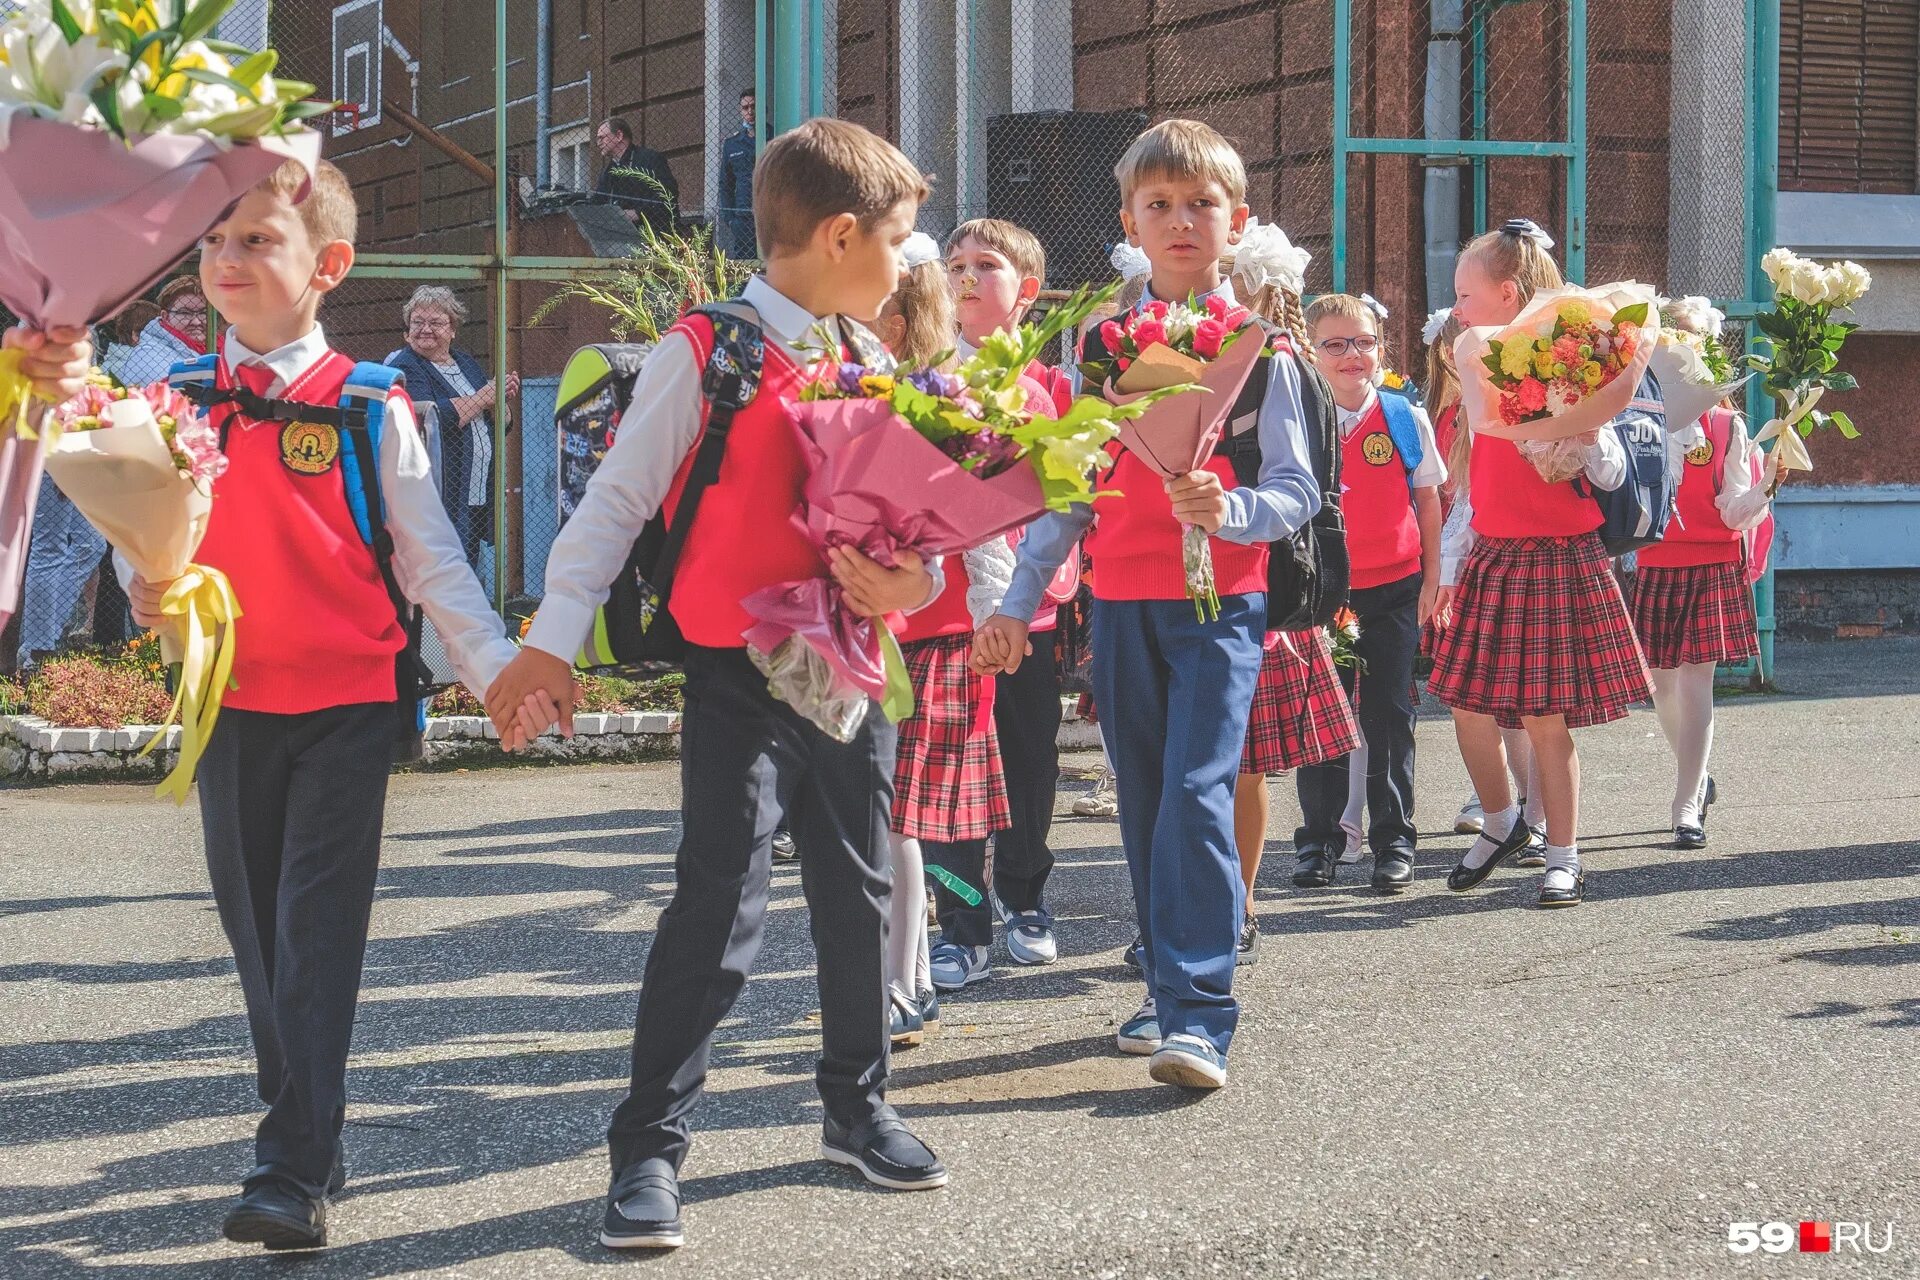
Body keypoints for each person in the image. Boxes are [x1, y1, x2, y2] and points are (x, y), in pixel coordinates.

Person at [487, 117, 949, 1251]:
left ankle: (858, 1102)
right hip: (736, 674)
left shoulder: (868, 360)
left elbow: (914, 537)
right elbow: (613, 505)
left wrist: (907, 584)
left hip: (845, 667)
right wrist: (549, 643)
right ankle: (649, 1146)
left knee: (860, 891)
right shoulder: (711, 349)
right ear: (842, 236)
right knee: (718, 898)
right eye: (898, 237)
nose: (906, 259)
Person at [125, 158, 517, 1251]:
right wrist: (141, 584)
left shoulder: (367, 403)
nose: (227, 260)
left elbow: (431, 558)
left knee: (316, 938)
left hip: (347, 706)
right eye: (215, 242)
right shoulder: (176, 403)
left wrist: (501, 673)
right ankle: (310, 1118)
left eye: (258, 240)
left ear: (327, 266)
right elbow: (145, 550)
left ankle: (290, 1166)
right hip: (227, 707)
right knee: (259, 941)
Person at [976, 119, 1321, 1091]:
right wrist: (1012, 600)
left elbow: (1299, 488)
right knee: (1142, 799)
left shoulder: (1264, 346)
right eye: (1159, 205)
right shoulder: (1099, 342)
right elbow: (1068, 487)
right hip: (1120, 601)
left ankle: (1202, 1012)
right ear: (1128, 220)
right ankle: (1165, 983)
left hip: (1222, 605)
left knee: (1199, 789)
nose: (1181, 221)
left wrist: (1233, 506)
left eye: (1201, 205)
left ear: (1235, 220)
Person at [1429, 218, 1652, 909]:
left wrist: (1578, 428)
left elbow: (1613, 472)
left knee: (1545, 718)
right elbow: (1470, 488)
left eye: (1465, 295)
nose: (1456, 308)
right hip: (1495, 556)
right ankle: (1502, 823)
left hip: (1561, 558)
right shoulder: (1480, 362)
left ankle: (1565, 854)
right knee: (1467, 706)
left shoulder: (1570, 358)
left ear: (1504, 291)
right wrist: (1447, 567)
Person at [943, 217, 1074, 974]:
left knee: (1030, 759)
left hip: (1031, 608)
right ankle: (960, 923)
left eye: (984, 264)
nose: (964, 276)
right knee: (953, 772)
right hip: (945, 612)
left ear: (1026, 291)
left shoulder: (1047, 390)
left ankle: (1024, 892)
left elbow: (1065, 500)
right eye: (956, 262)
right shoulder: (924, 378)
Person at [1289, 293, 1445, 894]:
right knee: (1321, 718)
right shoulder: (1301, 416)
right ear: (1312, 351)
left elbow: (1428, 499)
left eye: (1365, 342)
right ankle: (1319, 843)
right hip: (1323, 592)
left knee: (1389, 717)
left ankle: (1393, 842)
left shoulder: (1405, 417)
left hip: (1394, 588)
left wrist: (1432, 579)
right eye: (1335, 344)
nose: (1353, 355)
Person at [1630, 295, 1776, 848]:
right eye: (1667, 341)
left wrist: (1765, 486)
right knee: (1661, 685)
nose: (1678, 351)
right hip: (1653, 562)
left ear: (1707, 351)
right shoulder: (1633, 418)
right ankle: (1699, 770)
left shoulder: (1723, 425)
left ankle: (1686, 801)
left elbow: (1735, 511)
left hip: (1711, 564)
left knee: (1696, 680)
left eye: (1690, 341)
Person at [1424, 307, 1544, 856]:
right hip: (1464, 566)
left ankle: (1533, 812)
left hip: (1503, 557)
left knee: (1526, 703)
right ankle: (1494, 799)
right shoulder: (1441, 413)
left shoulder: (1502, 405)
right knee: (1480, 697)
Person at [386, 286, 518, 573]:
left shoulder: (466, 363)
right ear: (407, 330)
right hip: (438, 490)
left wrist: (500, 398)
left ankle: (461, 618)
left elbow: (502, 424)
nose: (425, 329)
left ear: (453, 329)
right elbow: (433, 418)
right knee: (442, 568)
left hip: (475, 490)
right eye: (418, 322)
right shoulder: (407, 366)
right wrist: (486, 395)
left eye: (435, 322)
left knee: (466, 566)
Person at [105, 277, 208, 386]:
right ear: (165, 317)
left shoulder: (218, 345)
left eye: (203, 312)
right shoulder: (147, 355)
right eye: (185, 313)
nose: (196, 322)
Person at [595, 116, 680, 234]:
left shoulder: (650, 159)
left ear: (619, 136)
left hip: (656, 231)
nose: (598, 143)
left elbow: (668, 193)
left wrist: (638, 213)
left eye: (602, 138)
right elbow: (598, 201)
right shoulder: (608, 171)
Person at [717, 90, 758, 258]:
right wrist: (730, 218)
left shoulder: (773, 136)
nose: (750, 112)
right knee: (745, 267)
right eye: (745, 108)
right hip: (743, 216)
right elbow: (725, 183)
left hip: (769, 213)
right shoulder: (732, 144)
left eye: (754, 106)